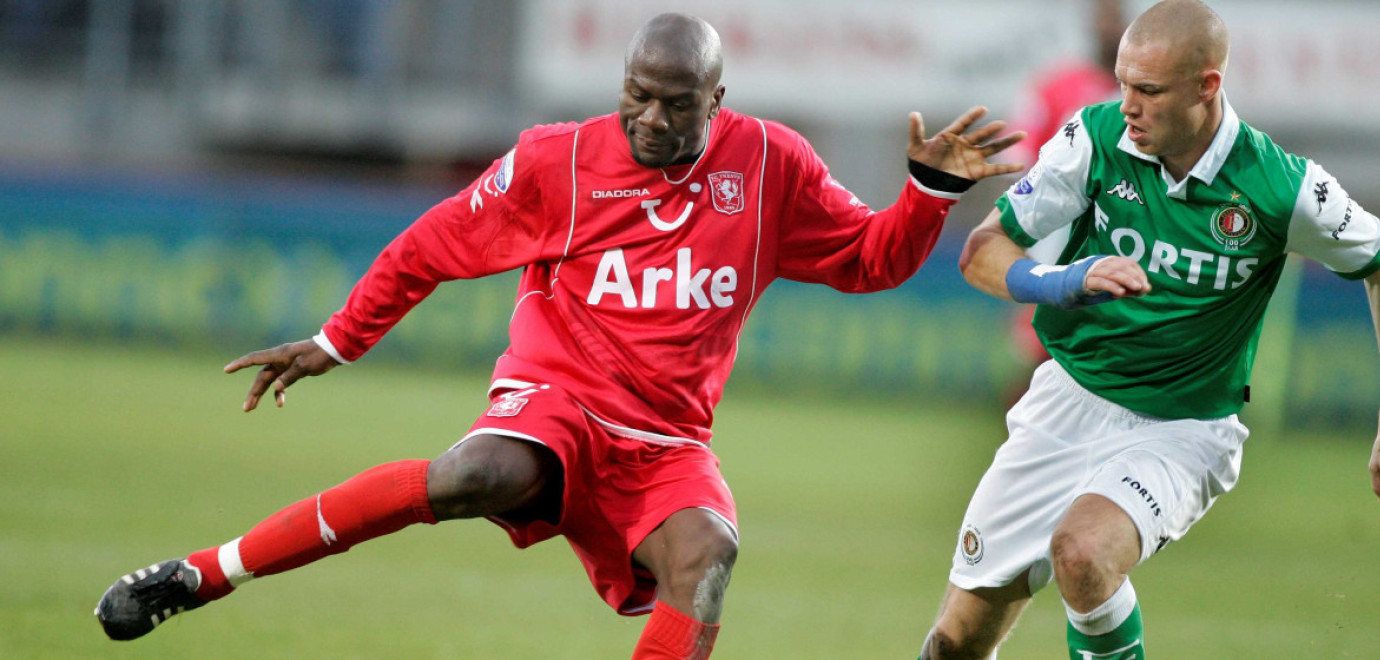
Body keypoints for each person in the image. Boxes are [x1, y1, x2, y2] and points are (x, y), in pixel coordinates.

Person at [95, 13, 1024, 658]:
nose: (652, 119)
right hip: (559, 402)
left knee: (706, 558)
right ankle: (205, 573)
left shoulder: (770, 162)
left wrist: (928, 195)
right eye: (637, 96)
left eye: (677, 104)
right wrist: (340, 340)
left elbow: (871, 260)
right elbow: (430, 246)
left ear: (718, 99)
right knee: (478, 475)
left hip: (666, 443)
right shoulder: (558, 162)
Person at [918, 1, 1380, 659]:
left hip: (1182, 429)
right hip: (1065, 404)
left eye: (1148, 90)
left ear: (1207, 86)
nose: (1126, 104)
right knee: (953, 644)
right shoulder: (1096, 139)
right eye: (1123, 82)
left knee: (1083, 554)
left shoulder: (1282, 187)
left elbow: (1378, 261)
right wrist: (1066, 281)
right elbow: (983, 250)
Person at [1002, 0, 1127, 406]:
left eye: (1116, 16)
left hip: (1128, 235)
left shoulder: (1144, 95)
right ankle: (1024, 428)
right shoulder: (1057, 87)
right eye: (1103, 18)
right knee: (1046, 346)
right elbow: (1019, 156)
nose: (1110, 27)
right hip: (1063, 235)